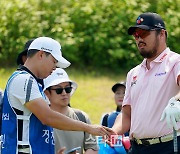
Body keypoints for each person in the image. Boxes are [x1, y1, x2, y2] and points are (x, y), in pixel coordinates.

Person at [1, 36, 113, 154]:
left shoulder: (32, 82)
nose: (55, 67)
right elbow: (48, 117)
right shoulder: (24, 80)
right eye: (54, 61)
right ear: (41, 55)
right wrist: (88, 128)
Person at [111, 12, 180, 154]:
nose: (139, 39)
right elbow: (127, 114)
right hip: (136, 148)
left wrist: (176, 100)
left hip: (168, 146)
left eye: (144, 33)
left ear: (162, 34)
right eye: (136, 35)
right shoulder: (133, 73)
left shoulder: (175, 61)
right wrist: (113, 131)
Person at [44, 68, 98, 154]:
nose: (64, 93)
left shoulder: (82, 117)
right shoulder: (41, 119)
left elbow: (92, 147)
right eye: (59, 90)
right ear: (47, 93)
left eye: (68, 89)